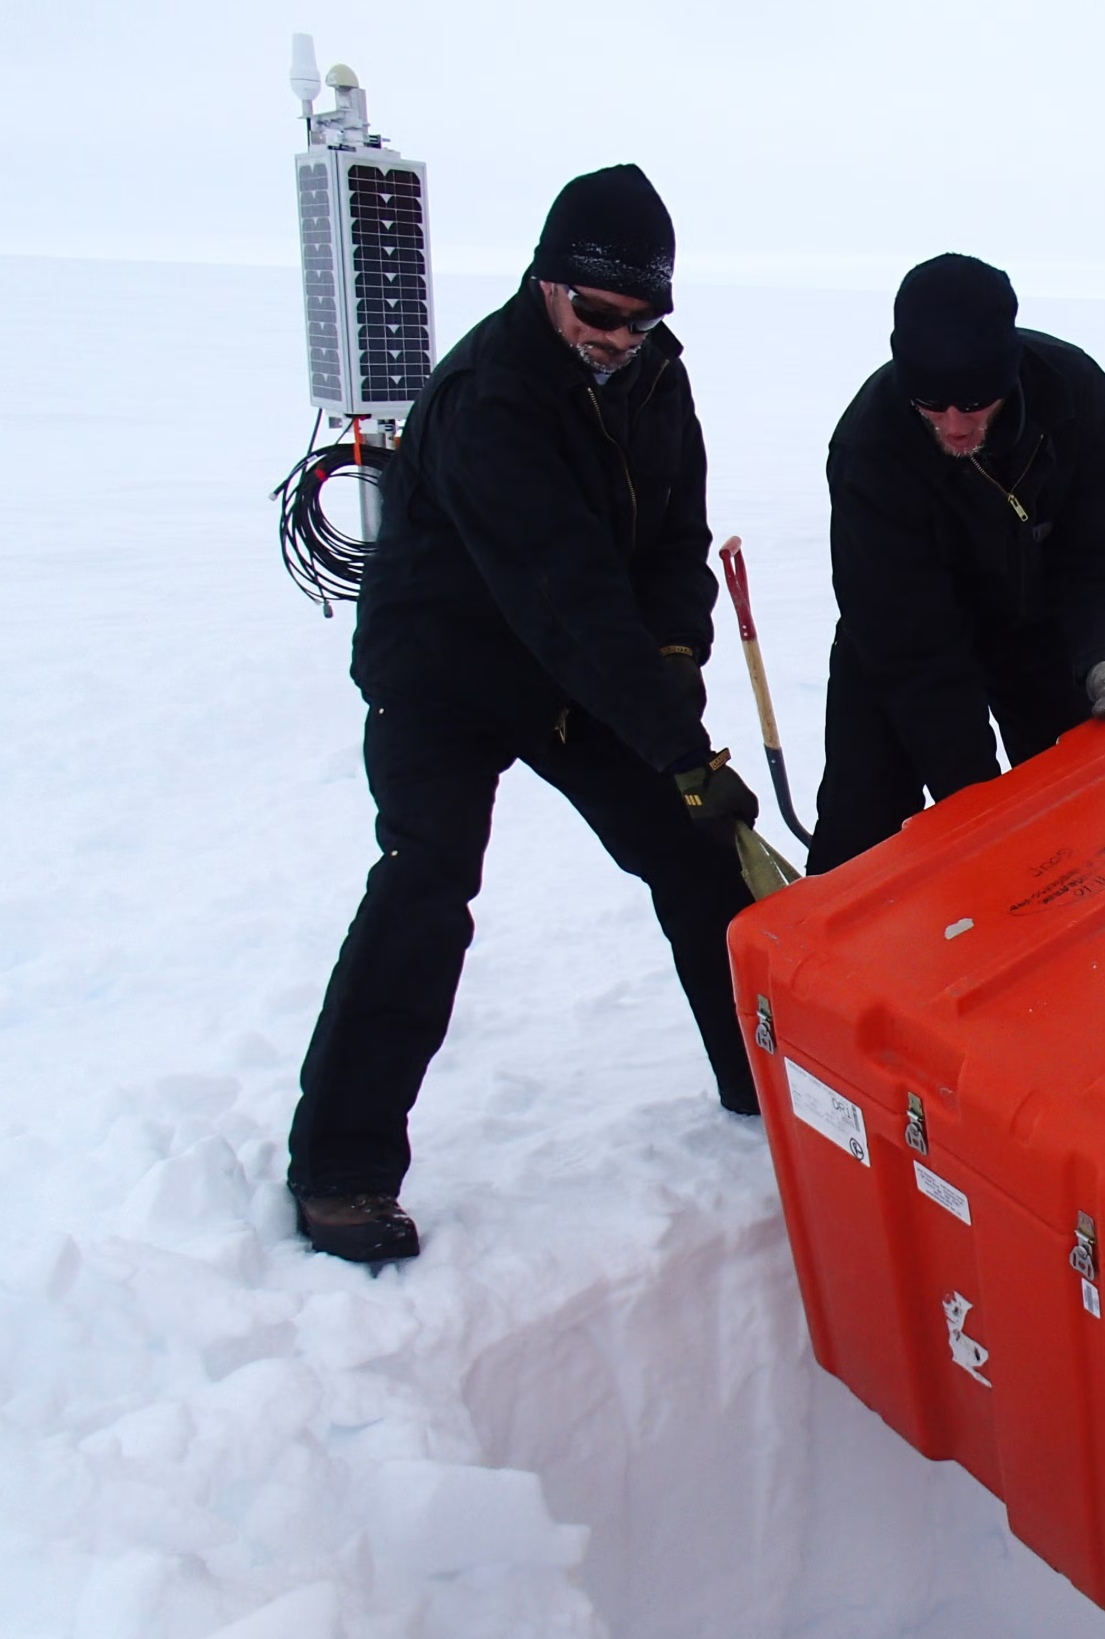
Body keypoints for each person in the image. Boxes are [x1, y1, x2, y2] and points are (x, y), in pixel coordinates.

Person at [288, 165, 762, 1264]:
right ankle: (341, 1165)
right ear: (549, 284)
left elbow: (666, 546)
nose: (621, 336)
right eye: (601, 313)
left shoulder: (652, 379)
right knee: (427, 879)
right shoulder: (488, 397)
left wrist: (678, 666)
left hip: (566, 674)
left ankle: (763, 1085)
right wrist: (674, 743)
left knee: (698, 860)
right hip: (444, 668)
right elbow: (564, 590)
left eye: (644, 318)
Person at [807, 254, 1105, 874]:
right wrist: (976, 797)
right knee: (862, 840)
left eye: (975, 401)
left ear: (1008, 376)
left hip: (1038, 628)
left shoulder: (1076, 396)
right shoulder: (868, 446)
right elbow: (909, 641)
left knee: (1087, 823)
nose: (954, 426)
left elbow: (1100, 555)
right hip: (901, 643)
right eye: (929, 402)